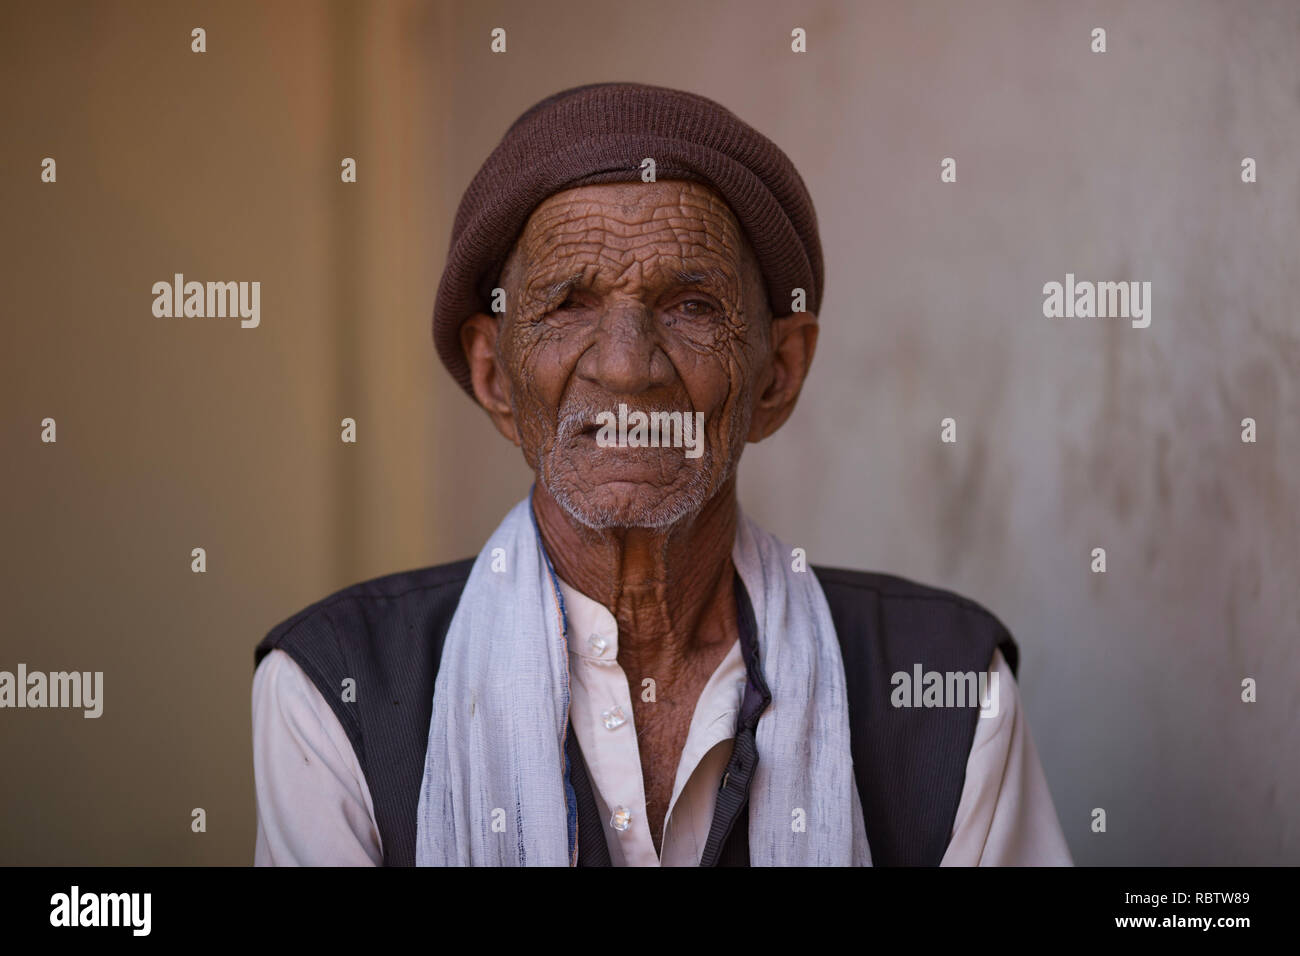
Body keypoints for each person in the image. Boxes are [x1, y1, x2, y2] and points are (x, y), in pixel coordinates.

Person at [251, 81, 1072, 867]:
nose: (627, 367)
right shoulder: (337, 691)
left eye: (690, 305)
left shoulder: (947, 687)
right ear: (494, 376)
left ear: (776, 374)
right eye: (569, 303)